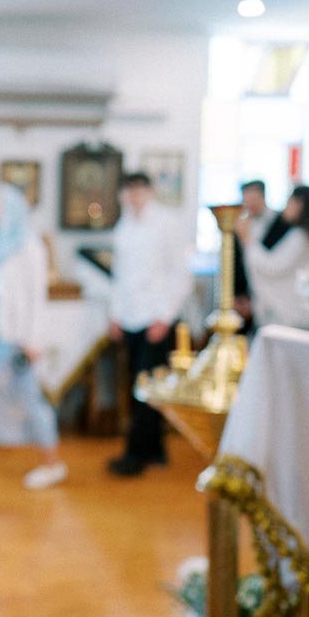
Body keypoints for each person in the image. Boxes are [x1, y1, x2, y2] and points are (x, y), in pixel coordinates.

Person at [0, 184, 67, 489]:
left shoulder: (29, 247)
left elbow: (37, 297)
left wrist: (35, 338)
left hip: (15, 334)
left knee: (29, 396)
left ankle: (52, 462)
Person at [106, 172, 192, 477]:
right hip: (131, 316)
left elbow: (179, 275)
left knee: (147, 388)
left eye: (139, 189)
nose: (134, 195)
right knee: (140, 385)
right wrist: (115, 314)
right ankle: (155, 449)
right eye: (129, 190)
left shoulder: (166, 223)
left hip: (155, 318)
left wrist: (164, 316)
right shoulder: (124, 226)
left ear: (150, 191)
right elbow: (119, 277)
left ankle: (136, 454)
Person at [239, 184, 309, 331]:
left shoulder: (302, 236)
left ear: (299, 204)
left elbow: (272, 267)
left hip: (294, 315)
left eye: (289, 201)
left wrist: (248, 241)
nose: (286, 207)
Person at [232, 179, 289, 330]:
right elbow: (235, 262)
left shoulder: (282, 222)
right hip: (245, 295)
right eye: (246, 199)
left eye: (253, 199)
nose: (249, 203)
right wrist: (238, 295)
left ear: (262, 196)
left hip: (273, 295)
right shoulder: (238, 224)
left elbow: (277, 264)